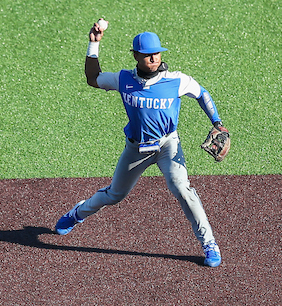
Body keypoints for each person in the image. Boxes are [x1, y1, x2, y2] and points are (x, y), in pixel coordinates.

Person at [54, 20, 227, 267]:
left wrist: (218, 122)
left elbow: (202, 94)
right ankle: (77, 214)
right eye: (147, 55)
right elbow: (93, 78)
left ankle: (209, 243)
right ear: (136, 56)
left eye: (156, 53)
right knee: (115, 194)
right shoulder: (123, 79)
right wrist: (94, 44)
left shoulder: (176, 81)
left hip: (168, 146)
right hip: (136, 149)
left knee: (182, 189)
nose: (153, 58)